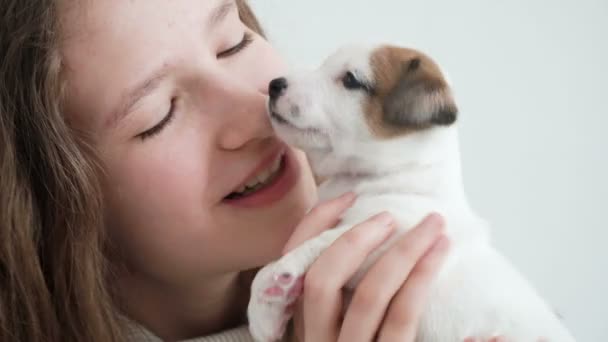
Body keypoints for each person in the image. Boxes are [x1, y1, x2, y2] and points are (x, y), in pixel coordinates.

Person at [0, 1, 453, 341]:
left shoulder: (426, 278)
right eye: (159, 115)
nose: (259, 113)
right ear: (48, 201)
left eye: (233, 43)